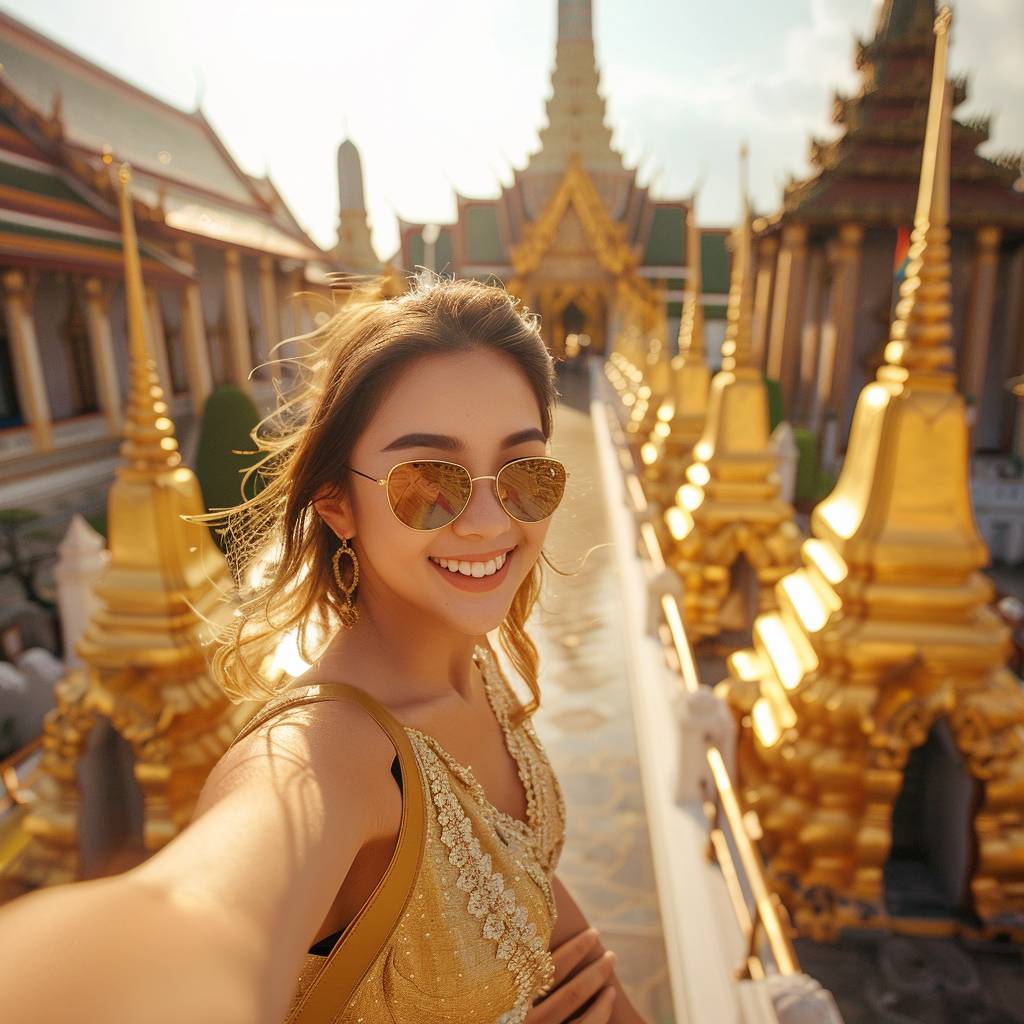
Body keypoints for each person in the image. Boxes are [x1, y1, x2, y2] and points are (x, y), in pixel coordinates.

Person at [0, 277, 645, 1023]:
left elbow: (514, 867)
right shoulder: (330, 754)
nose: (487, 521)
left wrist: (589, 972)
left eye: (525, 472)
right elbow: (202, 910)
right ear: (338, 503)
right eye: (429, 481)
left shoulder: (476, 660)